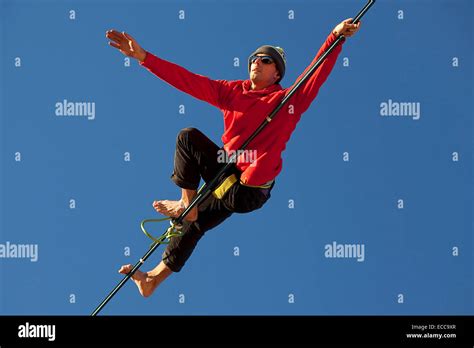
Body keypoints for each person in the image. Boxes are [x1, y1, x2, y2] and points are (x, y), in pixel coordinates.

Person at [105, 18, 361, 297]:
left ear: (277, 74)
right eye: (254, 58)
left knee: (232, 167)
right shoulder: (231, 92)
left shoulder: (288, 101)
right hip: (228, 176)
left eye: (265, 60)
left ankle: (187, 206)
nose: (256, 62)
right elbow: (190, 81)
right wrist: (144, 57)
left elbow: (316, 73)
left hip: (252, 187)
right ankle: (153, 278)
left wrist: (336, 37)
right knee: (189, 146)